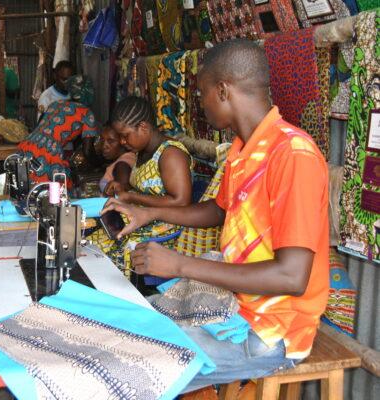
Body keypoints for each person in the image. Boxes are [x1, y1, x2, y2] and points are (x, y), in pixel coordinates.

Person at [102, 39, 329, 391]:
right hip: (232, 306)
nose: (199, 102)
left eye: (202, 93)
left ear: (223, 91)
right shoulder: (243, 151)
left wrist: (179, 265)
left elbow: (291, 276)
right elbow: (218, 210)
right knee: (116, 330)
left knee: (119, 368)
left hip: (270, 330)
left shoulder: (292, 155)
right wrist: (145, 214)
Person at [89, 96, 193, 274]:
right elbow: (145, 190)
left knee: (104, 261)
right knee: (89, 248)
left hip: (163, 229)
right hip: (140, 221)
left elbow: (181, 202)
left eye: (125, 136)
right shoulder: (142, 152)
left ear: (143, 127)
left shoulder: (170, 154)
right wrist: (123, 190)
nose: (122, 142)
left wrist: (130, 197)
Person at [98, 124, 136, 195]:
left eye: (111, 141)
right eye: (102, 140)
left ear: (123, 141)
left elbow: (121, 196)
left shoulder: (122, 165)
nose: (104, 146)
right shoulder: (127, 158)